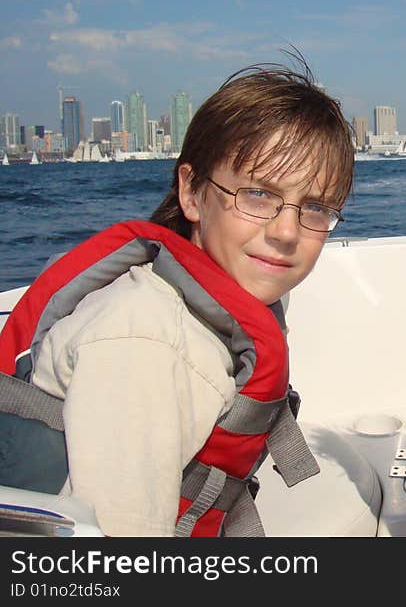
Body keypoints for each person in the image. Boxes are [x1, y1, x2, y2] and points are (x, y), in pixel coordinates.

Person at [0, 53, 354, 536]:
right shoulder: (145, 342)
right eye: (257, 194)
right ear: (192, 192)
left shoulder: (234, 290)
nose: (287, 231)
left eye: (315, 207)